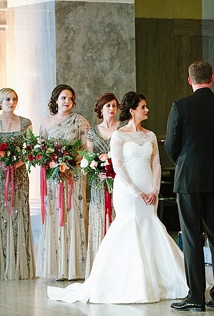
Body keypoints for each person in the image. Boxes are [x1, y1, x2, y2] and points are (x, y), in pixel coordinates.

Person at [47, 91, 188, 303]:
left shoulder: (149, 136)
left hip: (149, 188)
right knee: (128, 226)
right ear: (132, 111)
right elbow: (119, 167)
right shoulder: (119, 136)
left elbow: (156, 164)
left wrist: (154, 190)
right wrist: (137, 192)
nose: (147, 110)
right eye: (143, 107)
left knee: (151, 225)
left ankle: (162, 280)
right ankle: (129, 283)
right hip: (128, 191)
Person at [165, 61, 214, 311]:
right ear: (212, 79)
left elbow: (171, 144)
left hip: (189, 179)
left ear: (189, 80)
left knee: (193, 237)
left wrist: (184, 163)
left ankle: (196, 296)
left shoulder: (181, 106)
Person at [37, 84, 90, 280]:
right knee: (55, 215)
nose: (67, 101)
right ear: (55, 100)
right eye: (63, 98)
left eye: (70, 98)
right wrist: (52, 161)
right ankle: (57, 267)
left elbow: (86, 149)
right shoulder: (46, 122)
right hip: (53, 178)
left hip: (74, 175)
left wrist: (70, 161)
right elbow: (40, 150)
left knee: (73, 214)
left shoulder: (80, 121)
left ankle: (75, 267)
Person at [0, 88, 35, 280]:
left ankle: (20, 265)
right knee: (1, 213)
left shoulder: (26, 123)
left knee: (18, 212)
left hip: (19, 174)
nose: (11, 102)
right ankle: (1, 265)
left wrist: (16, 163)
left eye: (14, 99)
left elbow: (32, 149)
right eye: (7, 99)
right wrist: (2, 163)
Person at [84, 92, 121, 278]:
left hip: (118, 182)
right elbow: (89, 157)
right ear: (101, 109)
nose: (112, 109)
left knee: (117, 218)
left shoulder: (122, 129)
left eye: (114, 105)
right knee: (100, 219)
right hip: (99, 183)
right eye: (108, 106)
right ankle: (99, 267)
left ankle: (118, 265)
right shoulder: (92, 131)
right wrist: (95, 168)